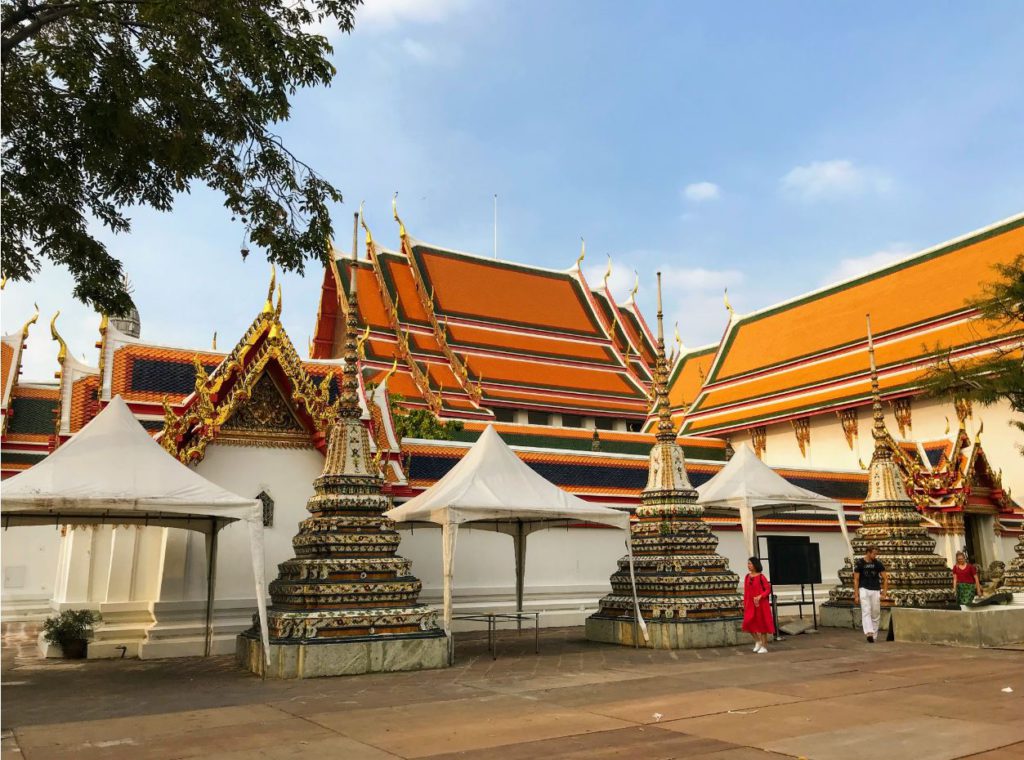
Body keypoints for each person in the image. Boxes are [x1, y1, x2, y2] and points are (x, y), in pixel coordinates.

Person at [852, 545, 889, 643]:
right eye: (874, 553)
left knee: (875, 613)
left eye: (876, 554)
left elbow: (885, 578)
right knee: (866, 610)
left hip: (875, 589)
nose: (875, 555)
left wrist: (884, 593)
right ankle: (869, 632)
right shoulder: (860, 563)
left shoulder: (878, 564)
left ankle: (874, 636)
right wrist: (856, 595)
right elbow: (856, 579)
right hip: (863, 589)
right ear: (868, 552)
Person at [742, 556, 774, 654]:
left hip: (761, 604)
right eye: (748, 564)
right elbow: (746, 591)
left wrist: (760, 596)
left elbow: (768, 589)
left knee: (762, 624)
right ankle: (758, 641)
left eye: (750, 564)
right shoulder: (747, 577)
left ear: (755, 565)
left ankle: (764, 646)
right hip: (750, 603)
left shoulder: (761, 577)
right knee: (747, 622)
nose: (749, 566)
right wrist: (745, 603)